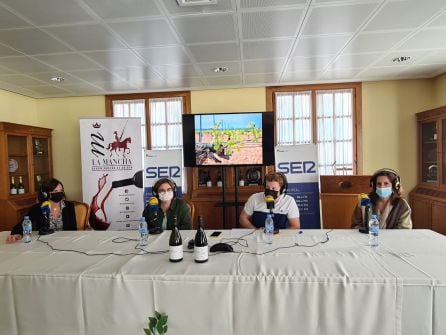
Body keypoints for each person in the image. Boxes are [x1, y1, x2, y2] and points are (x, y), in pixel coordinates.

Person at [6, 178, 77, 243]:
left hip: (66, 242)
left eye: (61, 191)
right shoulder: (38, 208)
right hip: (45, 243)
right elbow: (21, 225)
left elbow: (73, 230)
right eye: (55, 191)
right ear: (45, 194)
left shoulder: (69, 206)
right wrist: (17, 234)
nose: (59, 193)